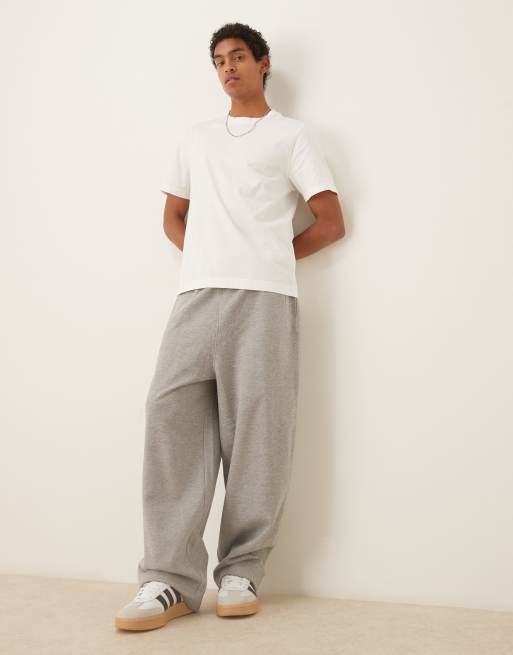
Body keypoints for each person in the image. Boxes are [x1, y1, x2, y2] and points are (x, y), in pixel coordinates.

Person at [115, 21, 345, 632]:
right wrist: (205, 257)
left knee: (259, 434)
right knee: (169, 417)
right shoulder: (195, 138)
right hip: (196, 296)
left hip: (265, 300)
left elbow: (330, 221)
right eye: (218, 60)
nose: (227, 68)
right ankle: (168, 580)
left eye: (238, 56)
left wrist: (267, 257)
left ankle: (241, 571)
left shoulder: (292, 136)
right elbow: (173, 215)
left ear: (263, 63)